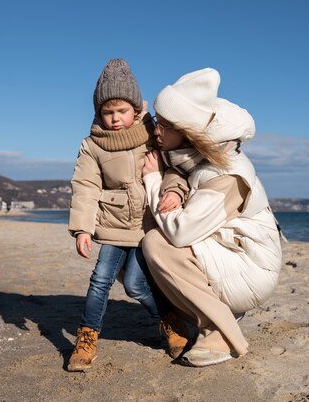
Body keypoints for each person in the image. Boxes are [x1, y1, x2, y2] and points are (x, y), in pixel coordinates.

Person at [141, 68, 282, 367]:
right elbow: (177, 175)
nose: (156, 131)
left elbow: (180, 232)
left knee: (158, 243)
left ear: (188, 132)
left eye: (165, 125)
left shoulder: (228, 173)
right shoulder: (192, 157)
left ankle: (218, 333)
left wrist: (153, 180)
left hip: (251, 268)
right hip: (228, 252)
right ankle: (214, 312)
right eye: (157, 121)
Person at [67, 59, 190, 372]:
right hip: (113, 225)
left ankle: (169, 321)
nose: (115, 118)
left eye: (121, 111)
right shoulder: (93, 145)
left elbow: (176, 167)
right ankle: (87, 336)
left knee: (136, 285)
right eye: (107, 112)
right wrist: (82, 229)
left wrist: (175, 191)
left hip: (150, 225)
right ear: (98, 112)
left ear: (136, 108)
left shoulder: (154, 133)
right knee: (99, 281)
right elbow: (85, 187)